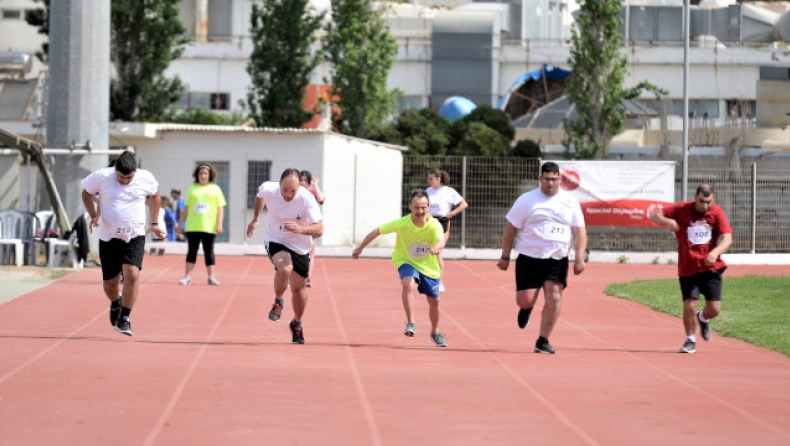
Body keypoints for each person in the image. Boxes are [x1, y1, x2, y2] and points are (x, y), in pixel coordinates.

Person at [496, 161, 587, 354]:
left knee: (554, 296)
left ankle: (543, 340)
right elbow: (510, 229)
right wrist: (505, 256)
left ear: (560, 179)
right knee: (525, 300)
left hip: (557, 258)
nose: (550, 183)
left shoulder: (570, 202)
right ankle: (526, 309)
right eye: (546, 179)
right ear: (540, 179)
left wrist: (579, 258)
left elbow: (580, 232)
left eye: (554, 179)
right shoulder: (526, 200)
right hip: (529, 257)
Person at [80, 151, 165, 336]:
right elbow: (86, 193)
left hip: (134, 235)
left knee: (132, 274)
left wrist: (155, 223)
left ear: (135, 172)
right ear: (115, 170)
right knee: (110, 285)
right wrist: (94, 215)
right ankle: (115, 303)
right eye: (121, 176)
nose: (125, 180)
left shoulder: (145, 177)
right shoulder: (102, 176)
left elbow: (156, 196)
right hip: (109, 237)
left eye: (129, 177)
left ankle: (125, 318)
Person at [352, 189, 449, 347]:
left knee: (435, 301)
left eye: (423, 207)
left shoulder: (434, 225)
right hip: (406, 260)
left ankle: (435, 332)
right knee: (408, 284)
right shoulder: (402, 223)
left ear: (429, 207)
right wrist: (360, 248)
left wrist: (436, 247)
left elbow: (441, 240)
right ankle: (411, 321)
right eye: (417, 207)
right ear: (410, 206)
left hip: (428, 266)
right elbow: (377, 231)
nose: (420, 211)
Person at [649, 184, 733, 354]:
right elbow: (654, 215)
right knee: (689, 304)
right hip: (688, 267)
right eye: (702, 201)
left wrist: (716, 252)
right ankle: (690, 340)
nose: (705, 206)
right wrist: (668, 221)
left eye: (709, 202)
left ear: (713, 199)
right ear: (695, 197)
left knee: (714, 309)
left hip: (710, 266)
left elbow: (727, 238)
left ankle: (702, 318)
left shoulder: (716, 212)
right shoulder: (681, 209)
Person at [247, 168, 323, 344]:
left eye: (293, 191)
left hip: (300, 246)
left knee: (299, 289)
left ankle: (296, 323)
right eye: (285, 190)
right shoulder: (268, 189)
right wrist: (256, 219)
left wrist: (301, 229)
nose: (288, 195)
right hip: (276, 239)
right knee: (285, 268)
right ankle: (278, 301)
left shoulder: (306, 198)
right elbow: (260, 197)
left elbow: (320, 228)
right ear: (279, 184)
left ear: (299, 188)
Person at [177, 164, 227, 286]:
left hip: (209, 226)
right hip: (193, 226)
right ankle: (187, 277)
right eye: (201, 173)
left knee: (209, 252)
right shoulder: (192, 189)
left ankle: (211, 277)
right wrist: (179, 224)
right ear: (197, 175)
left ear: (210, 175)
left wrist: (219, 224)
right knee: (191, 251)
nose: (203, 175)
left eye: (205, 173)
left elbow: (220, 208)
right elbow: (187, 208)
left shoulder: (215, 189)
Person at [426, 169, 468, 291]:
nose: (429, 181)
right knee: (427, 252)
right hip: (429, 222)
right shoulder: (427, 191)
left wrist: (451, 214)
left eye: (431, 179)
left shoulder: (448, 192)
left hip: (442, 222)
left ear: (438, 179)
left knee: (438, 252)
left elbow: (463, 204)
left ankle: (440, 283)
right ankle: (428, 279)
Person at [300, 170, 325, 287]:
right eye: (301, 180)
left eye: (305, 180)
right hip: (300, 227)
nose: (303, 182)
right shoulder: (295, 193)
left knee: (311, 254)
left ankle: (307, 277)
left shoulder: (312, 192)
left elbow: (321, 199)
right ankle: (296, 276)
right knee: (297, 252)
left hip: (312, 227)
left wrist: (316, 185)